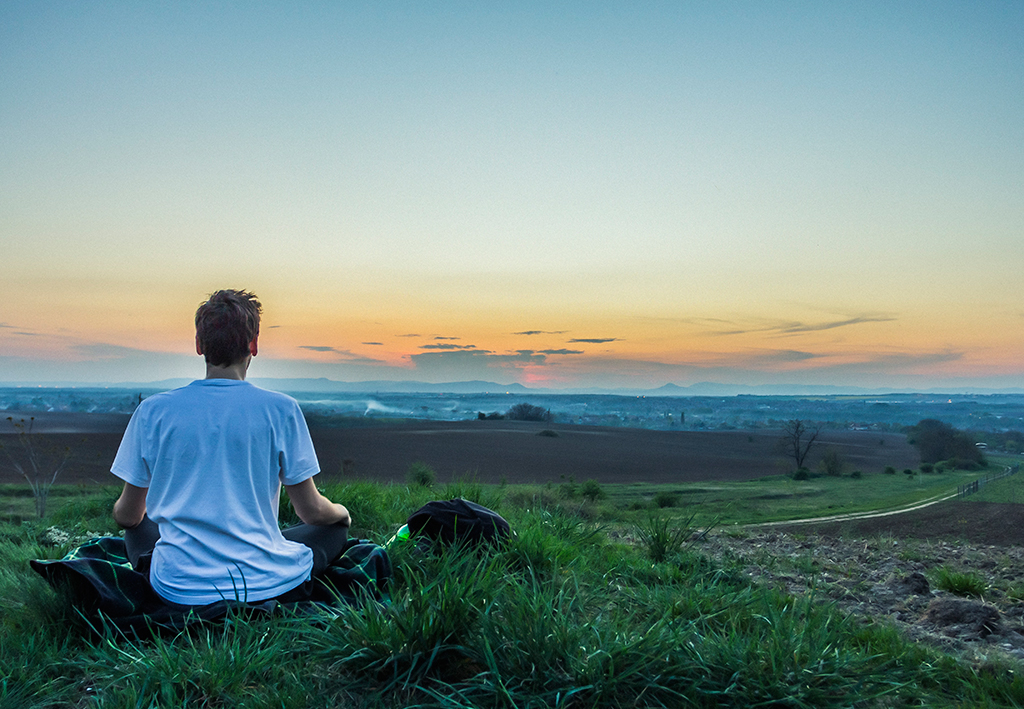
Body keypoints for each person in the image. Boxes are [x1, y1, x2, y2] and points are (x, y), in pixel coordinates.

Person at [111, 289, 351, 606]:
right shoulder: (281, 410)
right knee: (332, 530)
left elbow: (127, 517)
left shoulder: (153, 412)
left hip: (178, 587)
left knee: (139, 524)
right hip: (265, 583)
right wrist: (342, 514)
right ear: (253, 345)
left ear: (199, 345)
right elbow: (311, 512)